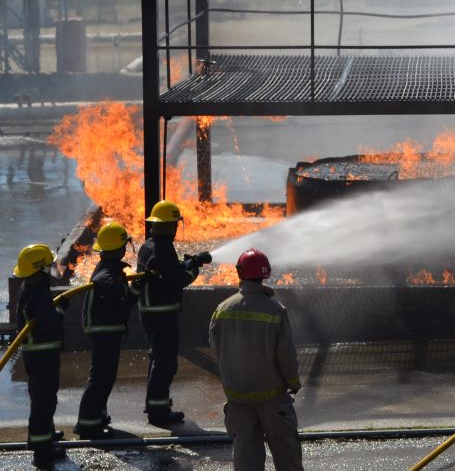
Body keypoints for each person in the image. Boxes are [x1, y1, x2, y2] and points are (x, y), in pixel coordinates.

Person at [210, 248, 303, 471]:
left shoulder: (222, 309)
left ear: (239, 272)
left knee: (246, 455)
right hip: (272, 397)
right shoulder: (275, 310)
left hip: (237, 396)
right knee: (286, 452)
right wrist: (293, 382)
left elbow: (216, 347)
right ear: (265, 273)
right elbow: (286, 354)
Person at [135, 199, 211, 426]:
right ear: (168, 225)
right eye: (175, 224)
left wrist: (189, 261)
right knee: (166, 362)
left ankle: (155, 404)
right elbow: (178, 279)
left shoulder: (149, 245)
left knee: (157, 358)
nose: (177, 227)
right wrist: (194, 269)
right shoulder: (163, 248)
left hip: (150, 312)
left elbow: (166, 269)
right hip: (162, 314)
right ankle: (159, 412)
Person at [75, 222, 137, 439]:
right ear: (120, 248)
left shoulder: (111, 267)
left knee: (106, 376)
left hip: (107, 328)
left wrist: (135, 290)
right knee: (101, 377)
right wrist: (124, 289)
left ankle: (98, 417)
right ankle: (87, 424)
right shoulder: (106, 270)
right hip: (102, 329)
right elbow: (105, 284)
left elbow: (123, 303)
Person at [13, 244, 66, 469]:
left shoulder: (29, 288)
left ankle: (47, 433)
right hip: (43, 356)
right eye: (47, 266)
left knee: (43, 397)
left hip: (37, 355)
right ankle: (42, 449)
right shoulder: (38, 294)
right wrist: (61, 310)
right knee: (44, 401)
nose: (50, 269)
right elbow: (50, 325)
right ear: (40, 269)